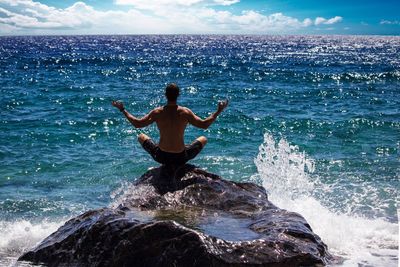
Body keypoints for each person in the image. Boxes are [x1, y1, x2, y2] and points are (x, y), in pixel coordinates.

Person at [112, 83, 228, 166]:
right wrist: (219, 111)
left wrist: (123, 110)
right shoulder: (185, 112)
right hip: (180, 158)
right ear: (178, 95)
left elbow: (137, 124)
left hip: (162, 157)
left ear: (165, 95)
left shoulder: (157, 112)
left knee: (141, 136)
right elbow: (204, 125)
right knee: (203, 139)